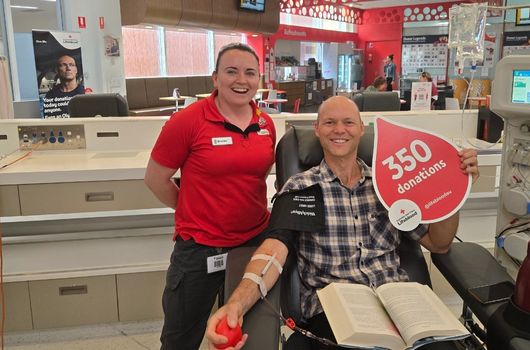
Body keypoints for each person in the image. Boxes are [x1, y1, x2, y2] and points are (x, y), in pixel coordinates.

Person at [205, 96, 479, 350]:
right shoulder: (301, 187)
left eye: (348, 122)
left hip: (400, 303)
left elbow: (439, 243)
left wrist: (452, 188)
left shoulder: (390, 183)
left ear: (361, 128)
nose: (339, 130)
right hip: (336, 312)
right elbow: (273, 250)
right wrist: (236, 304)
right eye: (329, 122)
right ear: (317, 129)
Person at [144, 42, 276, 350]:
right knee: (181, 337)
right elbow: (155, 179)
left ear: (259, 80)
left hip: (252, 244)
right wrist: (191, 210)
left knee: (246, 334)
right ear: (215, 79)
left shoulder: (266, 124)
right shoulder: (187, 122)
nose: (241, 80)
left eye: (249, 73)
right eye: (231, 72)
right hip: (200, 250)